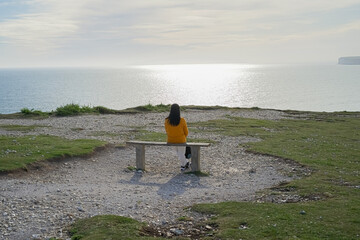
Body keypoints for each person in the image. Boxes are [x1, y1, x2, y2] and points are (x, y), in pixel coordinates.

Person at [164, 103, 190, 171]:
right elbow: (186, 132)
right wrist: (182, 137)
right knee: (181, 153)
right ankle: (184, 164)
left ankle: (185, 164)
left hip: (170, 140)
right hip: (181, 140)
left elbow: (167, 131)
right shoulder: (182, 120)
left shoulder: (167, 120)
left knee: (179, 154)